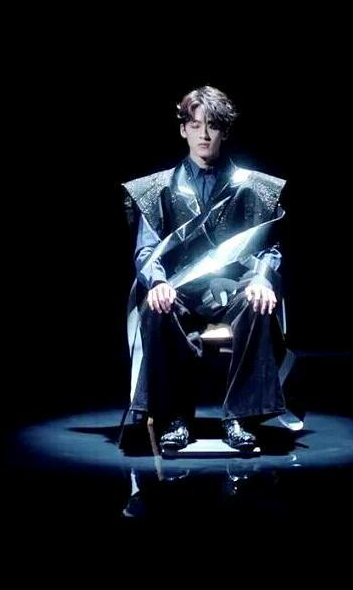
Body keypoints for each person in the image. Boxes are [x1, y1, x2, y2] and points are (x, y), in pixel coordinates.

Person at [122, 85, 293, 452]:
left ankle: (240, 418)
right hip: (179, 292)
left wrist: (262, 279)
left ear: (224, 132)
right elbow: (147, 250)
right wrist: (158, 281)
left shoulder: (250, 187)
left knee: (258, 302)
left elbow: (269, 247)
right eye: (196, 125)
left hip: (232, 290)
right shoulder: (158, 188)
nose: (204, 134)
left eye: (212, 125)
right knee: (156, 304)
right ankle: (174, 418)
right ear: (183, 129)